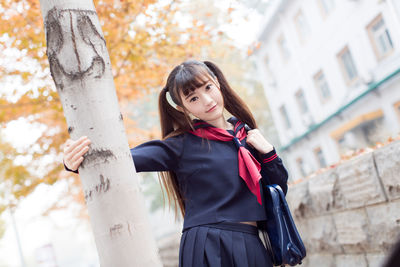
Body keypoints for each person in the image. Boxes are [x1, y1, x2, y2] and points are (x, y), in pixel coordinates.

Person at [63, 60, 289, 267]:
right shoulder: (182, 145)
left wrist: (268, 154)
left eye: (208, 88)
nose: (207, 101)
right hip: (209, 246)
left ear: (217, 83)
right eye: (193, 98)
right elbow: (122, 159)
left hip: (251, 243)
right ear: (183, 108)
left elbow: (278, 191)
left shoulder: (245, 136)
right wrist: (74, 161)